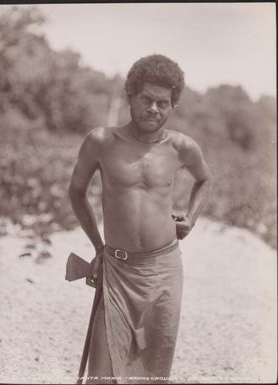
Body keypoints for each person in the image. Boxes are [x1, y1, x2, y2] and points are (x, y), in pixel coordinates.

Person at [69, 54, 211, 384]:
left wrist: (191, 217)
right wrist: (98, 245)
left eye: (163, 103)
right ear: (130, 95)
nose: (153, 109)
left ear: (172, 105)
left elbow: (205, 179)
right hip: (117, 269)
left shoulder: (181, 147)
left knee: (153, 373)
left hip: (164, 271)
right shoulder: (100, 141)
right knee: (100, 374)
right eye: (146, 99)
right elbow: (76, 192)